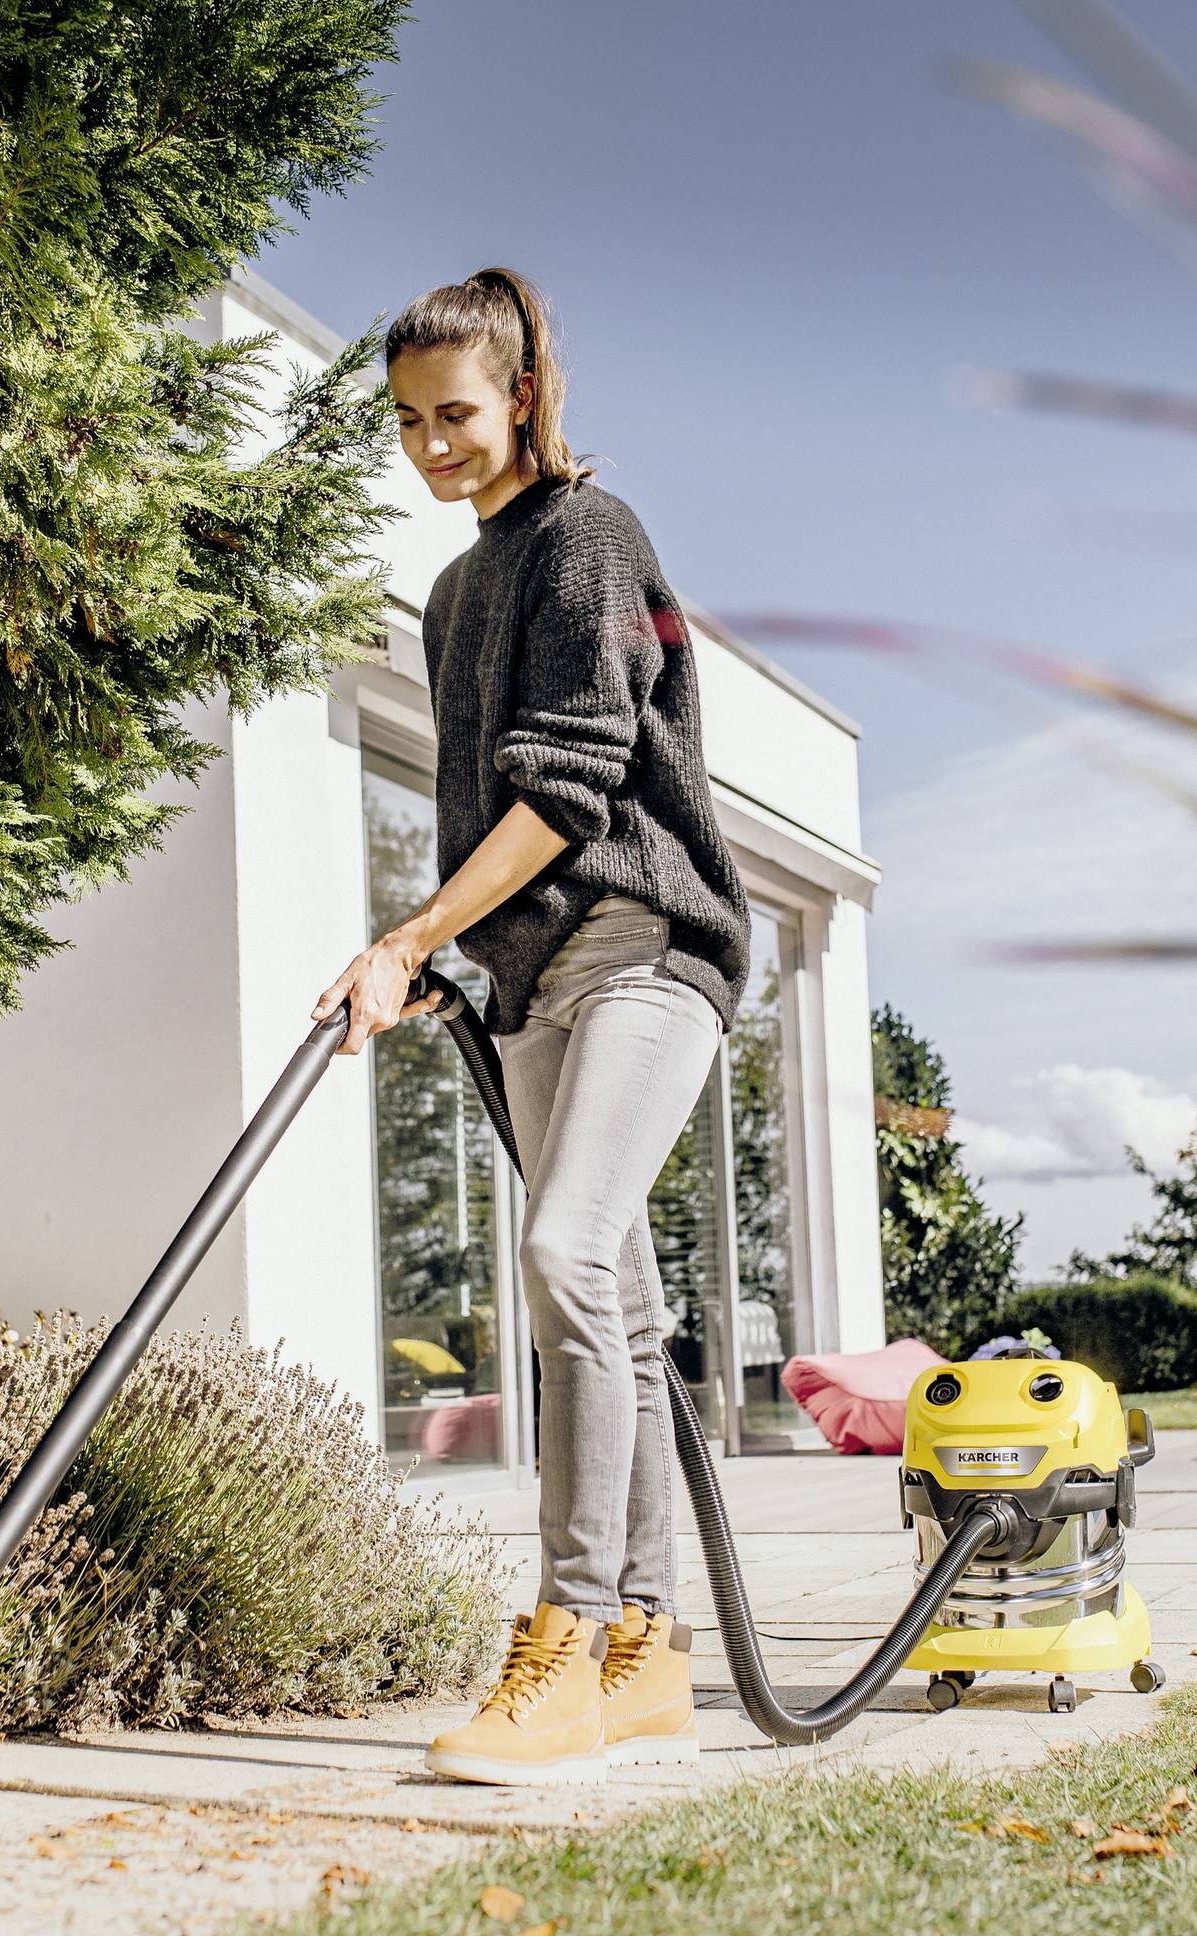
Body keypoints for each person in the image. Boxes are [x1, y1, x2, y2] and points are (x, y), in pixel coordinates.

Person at [312, 267, 751, 1787]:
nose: (435, 447)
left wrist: (412, 932)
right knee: (612, 1311)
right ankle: (648, 1659)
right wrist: (454, 956)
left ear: (523, 396)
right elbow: (478, 819)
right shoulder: (453, 591)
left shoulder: (589, 538)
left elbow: (568, 789)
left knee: (562, 1255)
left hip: (644, 949)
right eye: (411, 426)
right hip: (537, 976)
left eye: (458, 415)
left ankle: (563, 1642)